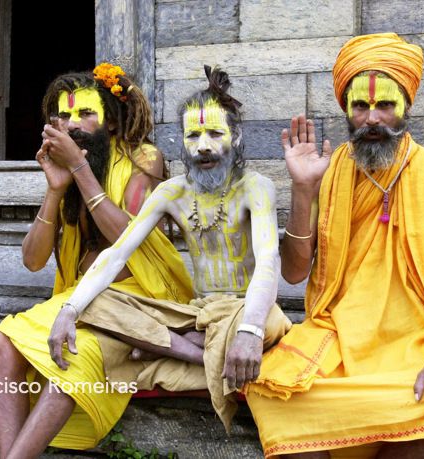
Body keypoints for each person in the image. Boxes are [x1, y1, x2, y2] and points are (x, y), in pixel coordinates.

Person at [245, 33, 424, 458]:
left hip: (413, 334)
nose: (372, 118)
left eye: (385, 105)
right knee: (268, 393)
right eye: (360, 106)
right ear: (346, 110)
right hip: (337, 331)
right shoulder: (328, 171)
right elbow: (295, 273)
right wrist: (302, 189)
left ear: (406, 106)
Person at [47, 66, 291, 432]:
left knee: (268, 323)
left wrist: (251, 332)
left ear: (236, 136)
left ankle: (166, 347)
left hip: (246, 309)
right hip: (195, 314)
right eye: (193, 135)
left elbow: (269, 261)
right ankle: (200, 352)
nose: (204, 145)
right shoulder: (172, 192)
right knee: (95, 303)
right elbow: (117, 254)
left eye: (215, 133)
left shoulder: (255, 187)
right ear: (183, 142)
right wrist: (69, 310)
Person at [0, 63, 194, 458]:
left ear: (111, 121)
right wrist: (54, 189)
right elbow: (33, 261)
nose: (73, 124)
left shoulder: (143, 159)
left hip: (136, 301)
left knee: (70, 357)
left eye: (85, 113)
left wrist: (79, 168)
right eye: (64, 116)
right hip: (79, 298)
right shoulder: (65, 169)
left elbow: (127, 239)